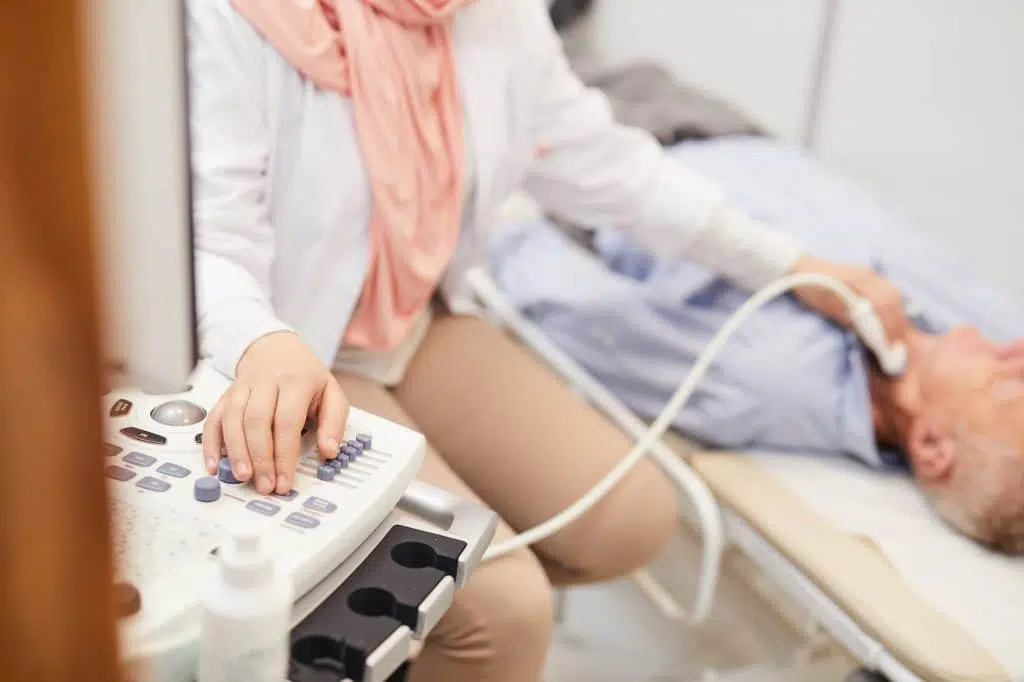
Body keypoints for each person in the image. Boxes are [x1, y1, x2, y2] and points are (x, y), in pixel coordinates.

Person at [186, 1, 910, 680]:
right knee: (507, 613)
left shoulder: (490, 15)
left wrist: (790, 264)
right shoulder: (236, 21)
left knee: (633, 519)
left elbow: (609, 164)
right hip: (290, 354)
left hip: (414, 321)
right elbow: (201, 238)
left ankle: (398, 643)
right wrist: (262, 345)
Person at [490, 135, 1024, 555]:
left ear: (932, 445)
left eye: (1009, 386)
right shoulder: (983, 327)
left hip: (626, 155)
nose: (1016, 354)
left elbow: (561, 300)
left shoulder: (759, 379)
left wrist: (492, 198)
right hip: (739, 135)